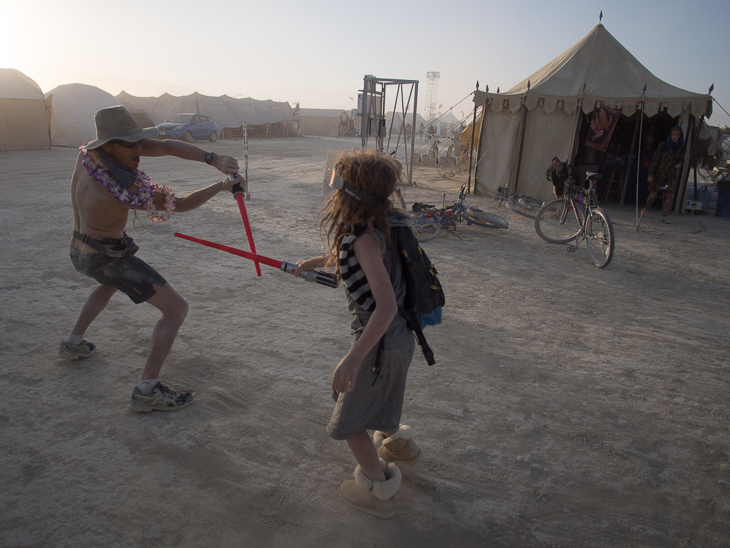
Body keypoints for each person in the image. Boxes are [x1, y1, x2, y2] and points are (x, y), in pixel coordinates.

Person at [59, 105, 244, 412]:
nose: (138, 149)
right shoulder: (125, 189)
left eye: (138, 141)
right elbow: (181, 204)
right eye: (129, 143)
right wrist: (223, 185)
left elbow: (167, 145)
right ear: (108, 145)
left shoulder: (87, 157)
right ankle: (147, 390)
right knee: (176, 309)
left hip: (79, 250)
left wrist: (212, 159)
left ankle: (73, 342)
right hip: (106, 257)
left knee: (109, 283)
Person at [295, 149, 421, 519]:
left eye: (336, 185)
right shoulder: (388, 222)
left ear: (348, 196)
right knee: (379, 394)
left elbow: (385, 306)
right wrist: (316, 262)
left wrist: (353, 357)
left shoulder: (363, 240)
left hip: (379, 340)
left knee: (348, 415)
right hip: (400, 340)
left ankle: (377, 492)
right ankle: (400, 446)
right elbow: (360, 256)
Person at [642, 126, 684, 224]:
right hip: (659, 173)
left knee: (669, 196)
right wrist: (650, 174)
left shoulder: (680, 148)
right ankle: (645, 208)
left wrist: (680, 164)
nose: (674, 137)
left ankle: (665, 216)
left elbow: (681, 159)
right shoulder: (664, 145)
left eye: (677, 135)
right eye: (673, 134)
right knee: (653, 195)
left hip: (671, 175)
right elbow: (655, 160)